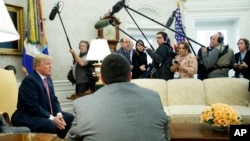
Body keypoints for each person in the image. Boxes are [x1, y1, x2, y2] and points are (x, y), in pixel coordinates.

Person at [67, 53, 170, 141]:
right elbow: (166, 136)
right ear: (130, 76)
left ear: (102, 79)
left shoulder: (83, 104)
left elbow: (71, 138)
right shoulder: (154, 97)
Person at [11, 54, 74, 139]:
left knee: (69, 118)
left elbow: (54, 99)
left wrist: (59, 115)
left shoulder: (48, 79)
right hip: (27, 116)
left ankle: (59, 139)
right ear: (38, 67)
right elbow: (32, 106)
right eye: (47, 64)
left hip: (44, 113)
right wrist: (52, 118)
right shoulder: (30, 81)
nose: (51, 67)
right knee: (51, 124)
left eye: (51, 64)